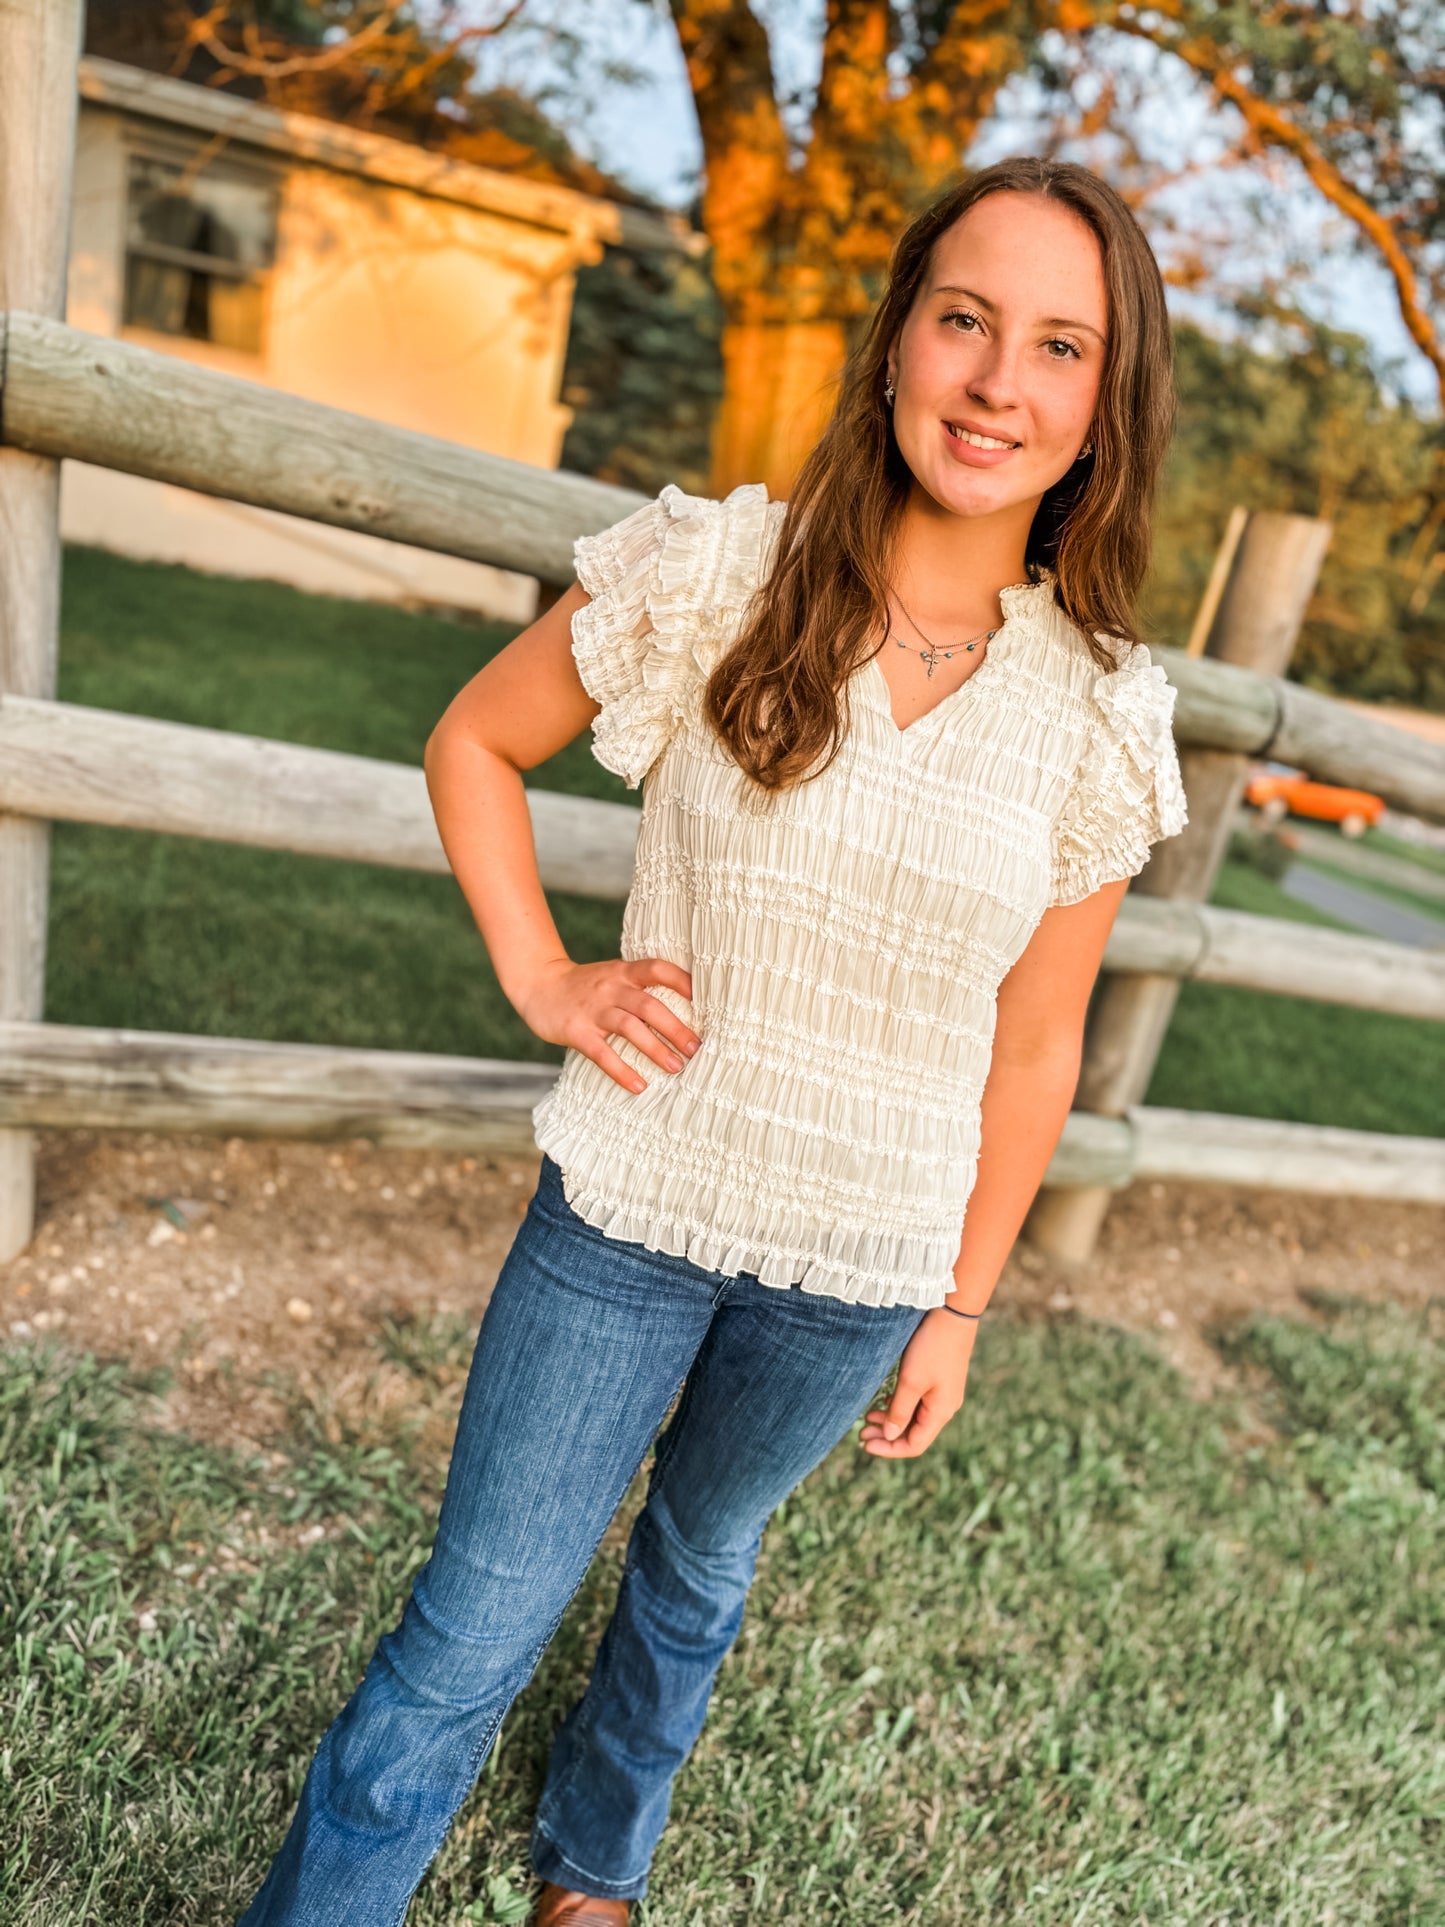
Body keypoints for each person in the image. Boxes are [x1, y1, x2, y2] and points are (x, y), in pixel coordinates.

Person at [236, 154, 1188, 1927]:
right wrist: (542, 978)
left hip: (862, 1262)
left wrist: (958, 1302)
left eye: (1058, 348)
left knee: (698, 1556)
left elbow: (1039, 1040)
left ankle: (596, 1858)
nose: (996, 382)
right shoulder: (722, 567)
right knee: (473, 1627)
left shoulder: (1101, 715)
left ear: (1098, 410)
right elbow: (472, 743)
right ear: (898, 334)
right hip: (627, 1214)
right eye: (965, 320)